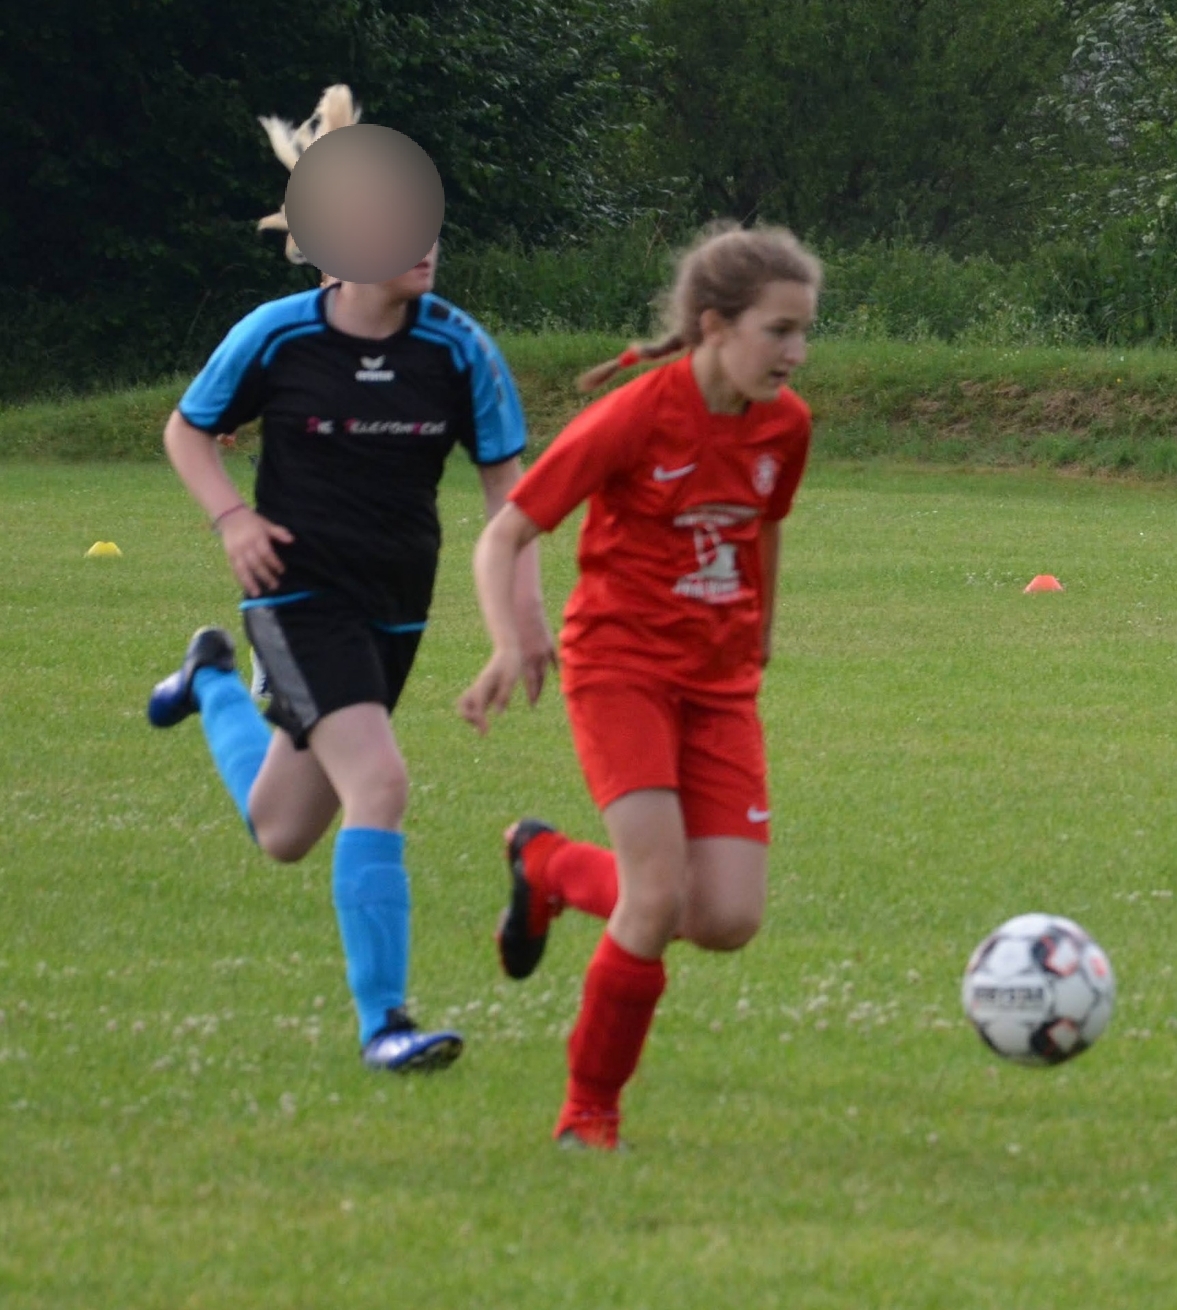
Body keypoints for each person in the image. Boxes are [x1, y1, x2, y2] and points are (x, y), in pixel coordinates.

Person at [146, 241, 550, 1072]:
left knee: (283, 830)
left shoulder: (458, 347)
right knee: (380, 782)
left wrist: (526, 618)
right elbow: (187, 430)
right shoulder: (276, 334)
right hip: (293, 598)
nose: (426, 245)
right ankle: (385, 1025)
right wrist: (233, 520)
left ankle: (211, 680)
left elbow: (510, 493)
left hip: (395, 607)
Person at [458, 223, 819, 1150]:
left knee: (726, 918)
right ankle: (590, 1112)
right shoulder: (635, 416)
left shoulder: (786, 424)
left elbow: (763, 523)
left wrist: (762, 628)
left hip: (720, 683)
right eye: (779, 331)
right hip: (621, 670)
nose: (796, 353)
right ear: (715, 326)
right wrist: (509, 640)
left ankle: (547, 865)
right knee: (655, 898)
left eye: (804, 332)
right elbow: (505, 534)